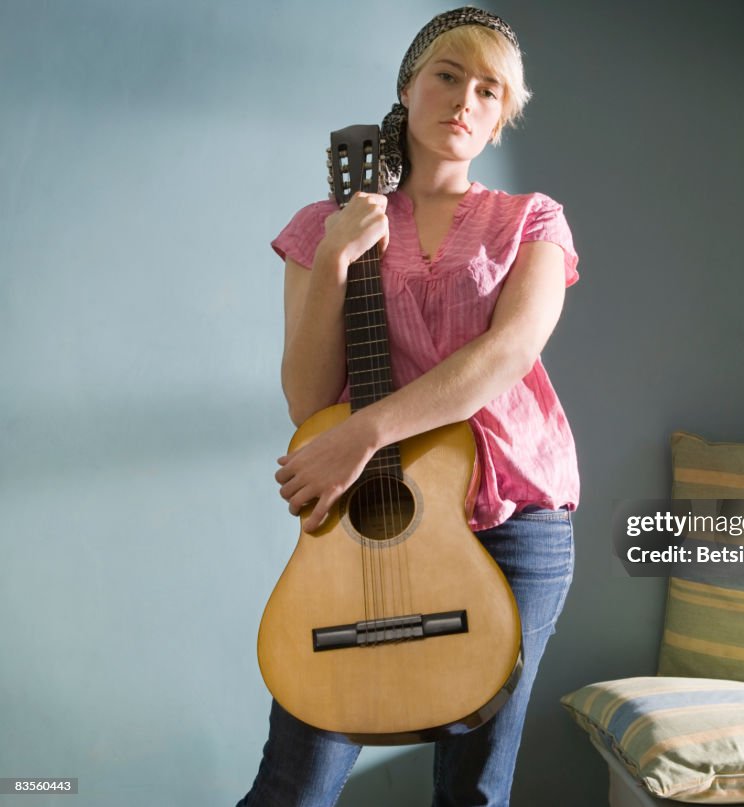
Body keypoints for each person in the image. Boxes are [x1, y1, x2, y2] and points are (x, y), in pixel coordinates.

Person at [236, 7, 580, 807]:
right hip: (374, 507)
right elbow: (306, 394)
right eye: (448, 77)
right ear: (408, 88)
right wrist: (334, 255)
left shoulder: (531, 219)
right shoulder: (321, 226)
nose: (465, 100)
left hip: (514, 515)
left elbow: (507, 355)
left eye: (489, 91)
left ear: (500, 121)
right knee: (292, 782)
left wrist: (363, 432)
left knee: (476, 788)